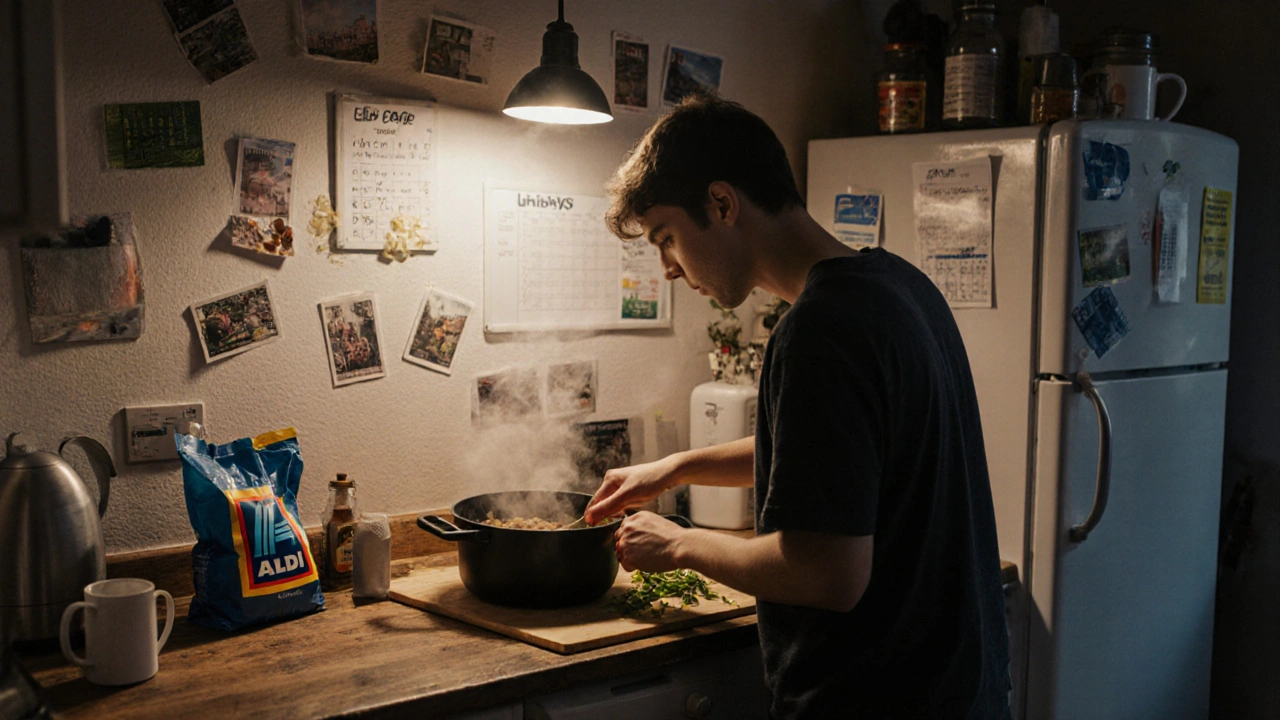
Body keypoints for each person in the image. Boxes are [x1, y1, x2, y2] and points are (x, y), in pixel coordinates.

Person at [583, 95, 1011, 719]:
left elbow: (826, 574)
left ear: (722, 204)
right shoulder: (899, 286)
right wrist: (675, 469)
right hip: (958, 690)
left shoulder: (820, 330)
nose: (668, 268)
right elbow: (831, 459)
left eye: (666, 237)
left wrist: (678, 544)